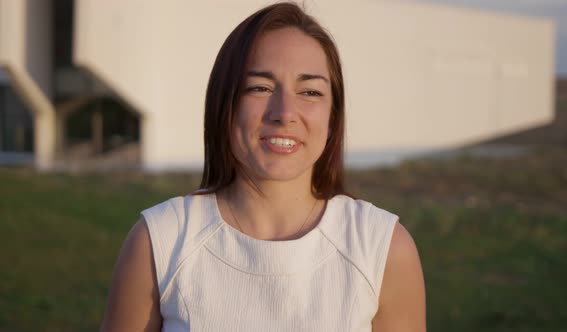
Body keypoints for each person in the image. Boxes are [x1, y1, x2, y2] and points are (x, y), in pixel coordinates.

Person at [100, 2, 426, 331]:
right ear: (224, 104)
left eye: (310, 91)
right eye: (260, 88)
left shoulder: (382, 249)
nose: (284, 113)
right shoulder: (160, 241)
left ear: (333, 117)